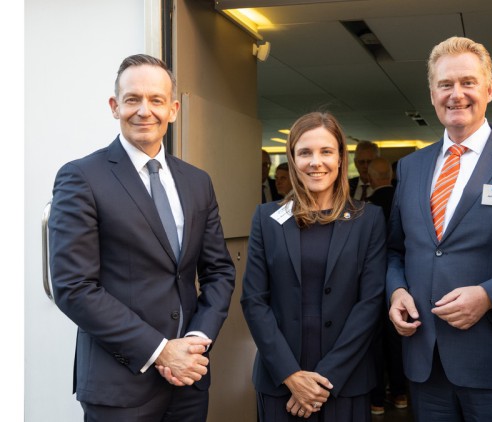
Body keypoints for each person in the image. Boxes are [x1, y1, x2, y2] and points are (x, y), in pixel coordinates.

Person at [48, 54, 236, 421]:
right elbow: (74, 286)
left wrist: (196, 341)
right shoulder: (81, 177)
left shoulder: (197, 182)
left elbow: (219, 272)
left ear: (174, 109)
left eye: (156, 100)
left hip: (189, 381)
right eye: (132, 99)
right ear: (115, 106)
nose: (143, 110)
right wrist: (161, 351)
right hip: (119, 385)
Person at [387, 36, 492, 421]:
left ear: (489, 88)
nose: (456, 94)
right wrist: (396, 290)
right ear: (432, 93)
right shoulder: (410, 167)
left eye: (467, 82)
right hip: (426, 364)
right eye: (445, 85)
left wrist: (489, 295)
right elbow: (397, 250)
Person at [242, 111, 386, 421]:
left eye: (325, 151)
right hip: (280, 381)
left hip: (345, 381)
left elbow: (370, 303)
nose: (315, 161)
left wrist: (324, 381)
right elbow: (254, 301)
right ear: (293, 159)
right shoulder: (266, 219)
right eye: (304, 152)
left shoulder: (369, 219)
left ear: (339, 159)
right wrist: (291, 375)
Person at [365, 157, 407, 415]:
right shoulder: (404, 200)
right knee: (398, 340)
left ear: (370, 178)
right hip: (401, 284)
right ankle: (401, 394)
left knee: (375, 343)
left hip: (371, 284)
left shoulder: (367, 208)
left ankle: (377, 399)